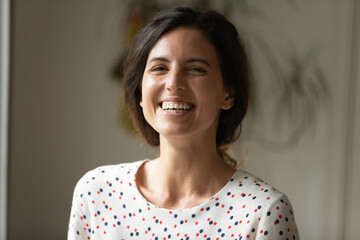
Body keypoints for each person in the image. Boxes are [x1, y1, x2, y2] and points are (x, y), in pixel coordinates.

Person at [68, 5, 299, 240]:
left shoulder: (264, 212)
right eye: (159, 68)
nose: (173, 83)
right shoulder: (96, 193)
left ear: (227, 94)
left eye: (195, 69)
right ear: (139, 93)